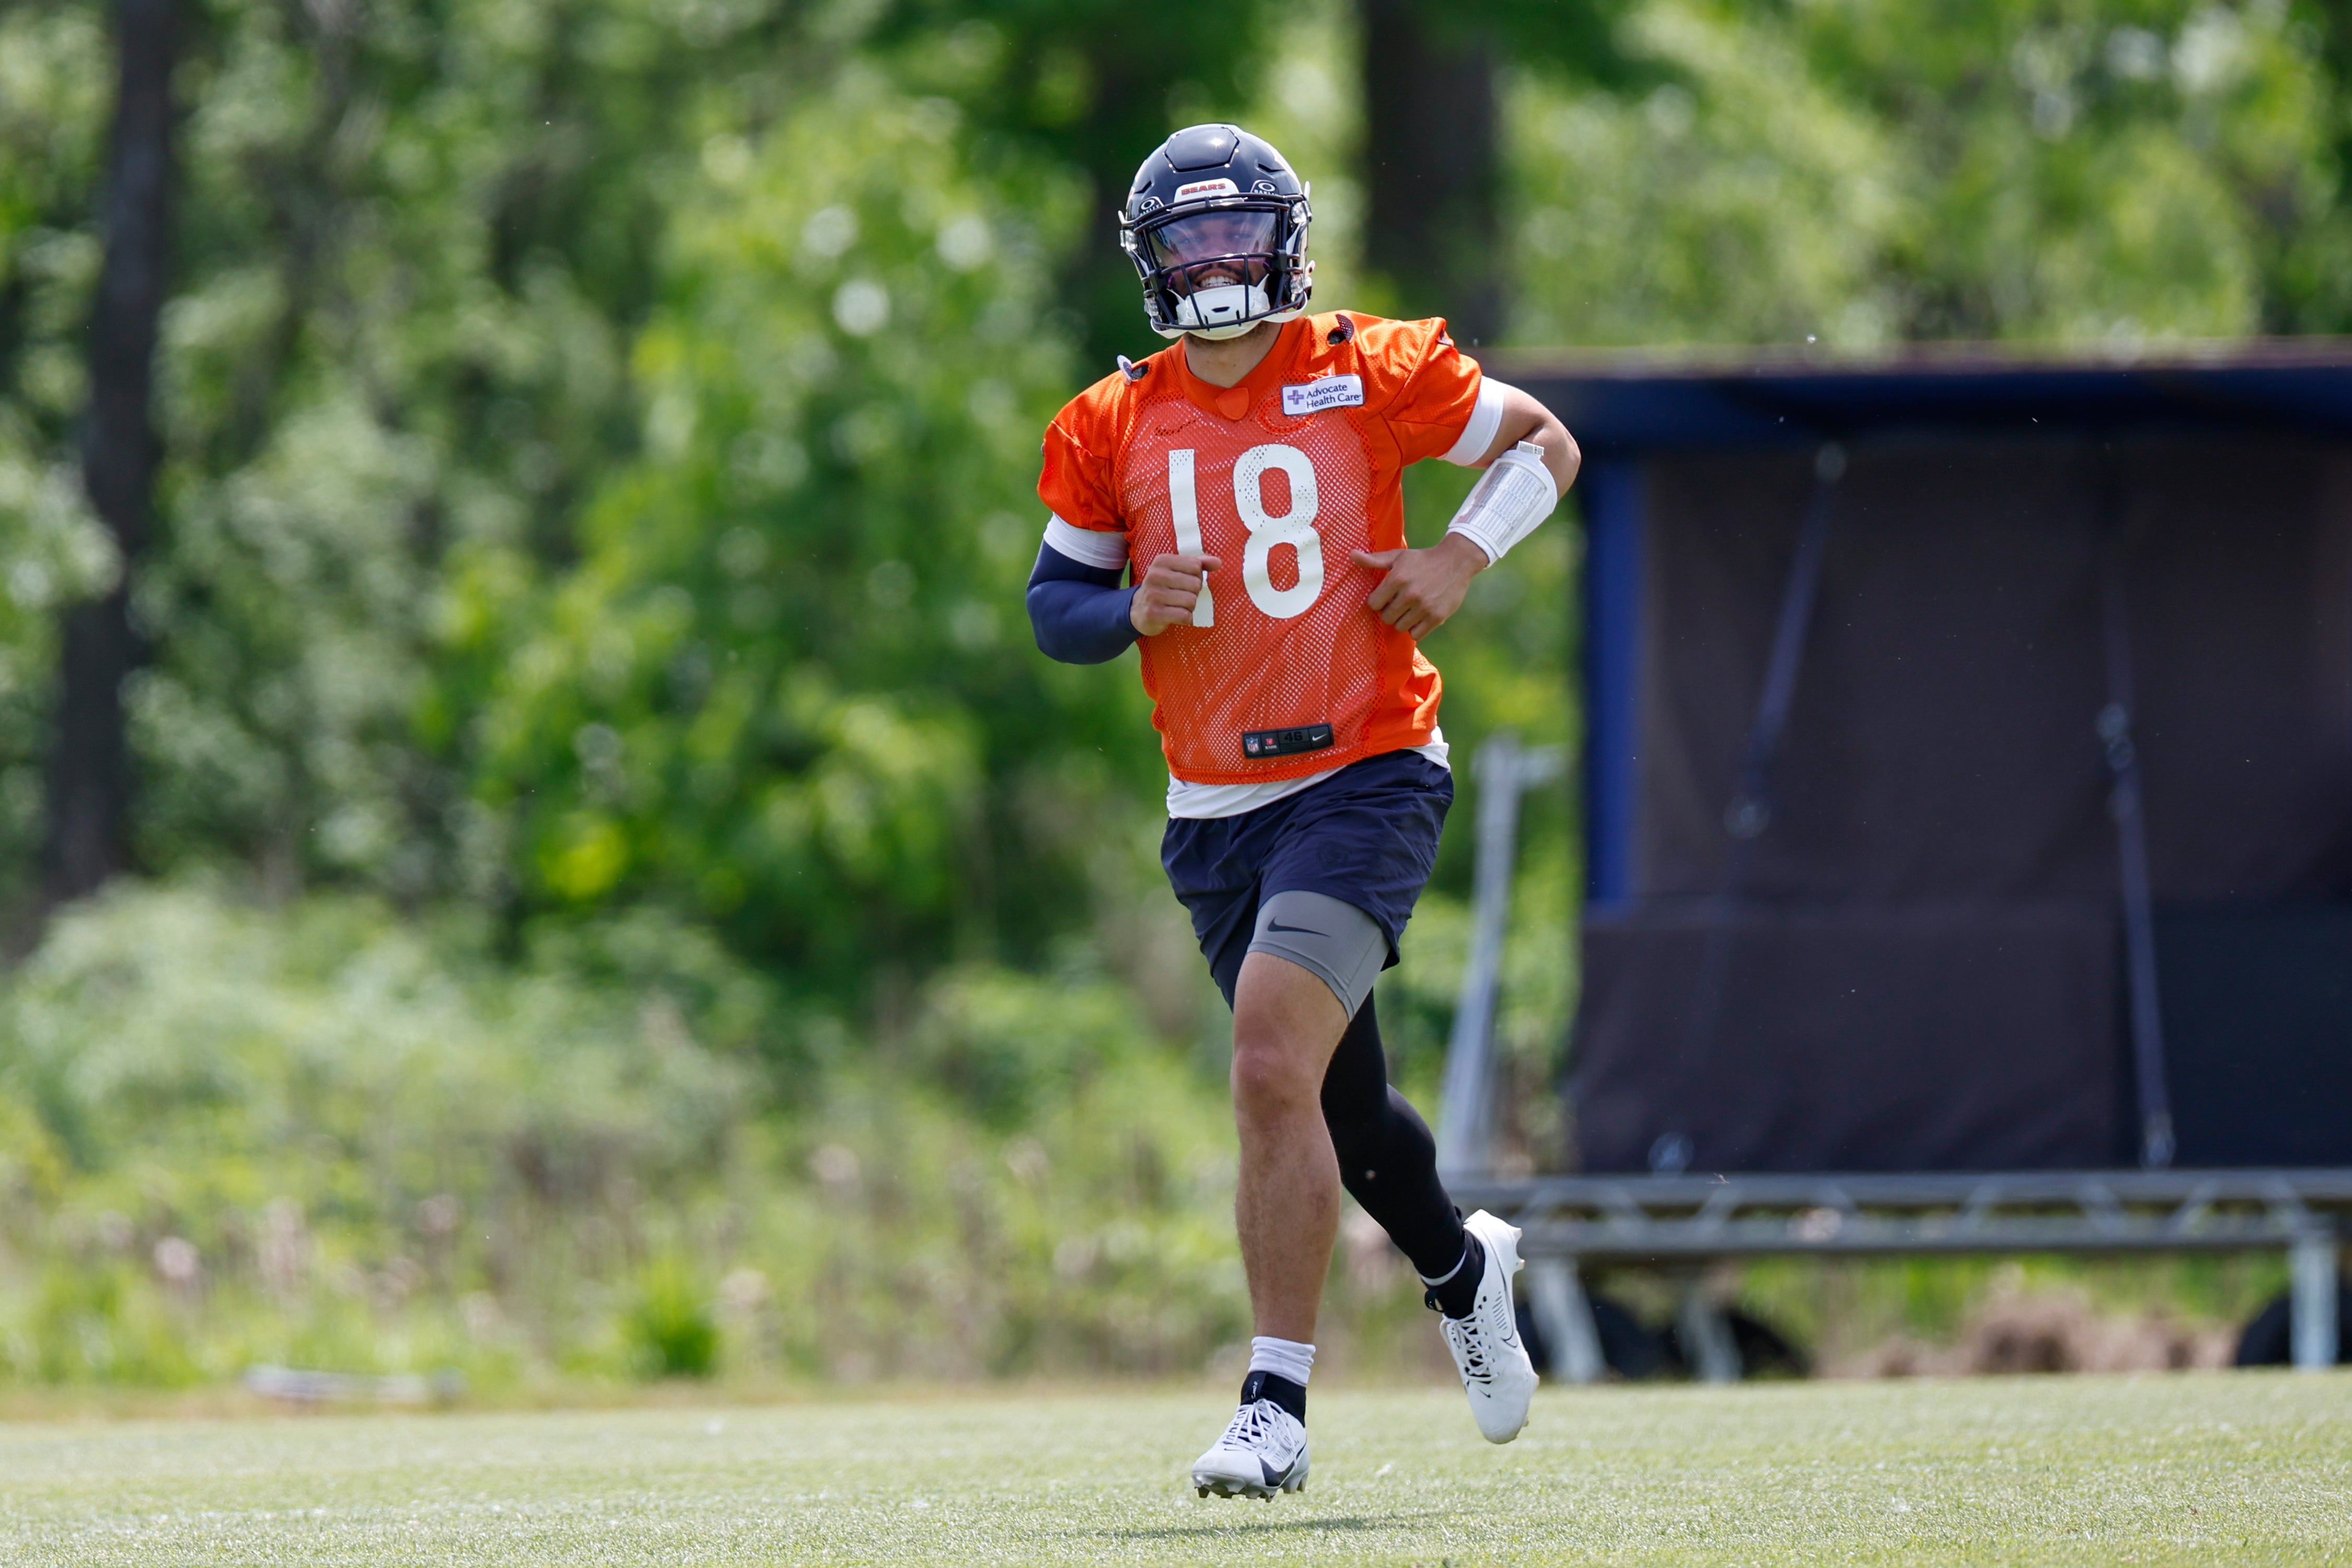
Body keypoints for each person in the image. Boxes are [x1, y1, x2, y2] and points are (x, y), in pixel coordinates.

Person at [1025, 123, 1579, 1498]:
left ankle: (1273, 1404)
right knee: (1337, 1104)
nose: (1217, 261)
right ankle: (1460, 1264)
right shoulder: (1108, 421)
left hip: (1366, 771)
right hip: (1216, 809)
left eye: (1237, 234)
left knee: (1268, 1060)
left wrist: (1461, 550)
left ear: (1284, 241)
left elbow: (1544, 444)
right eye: (1188, 241)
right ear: (1151, 265)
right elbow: (1053, 607)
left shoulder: (1367, 367)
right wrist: (1122, 608)